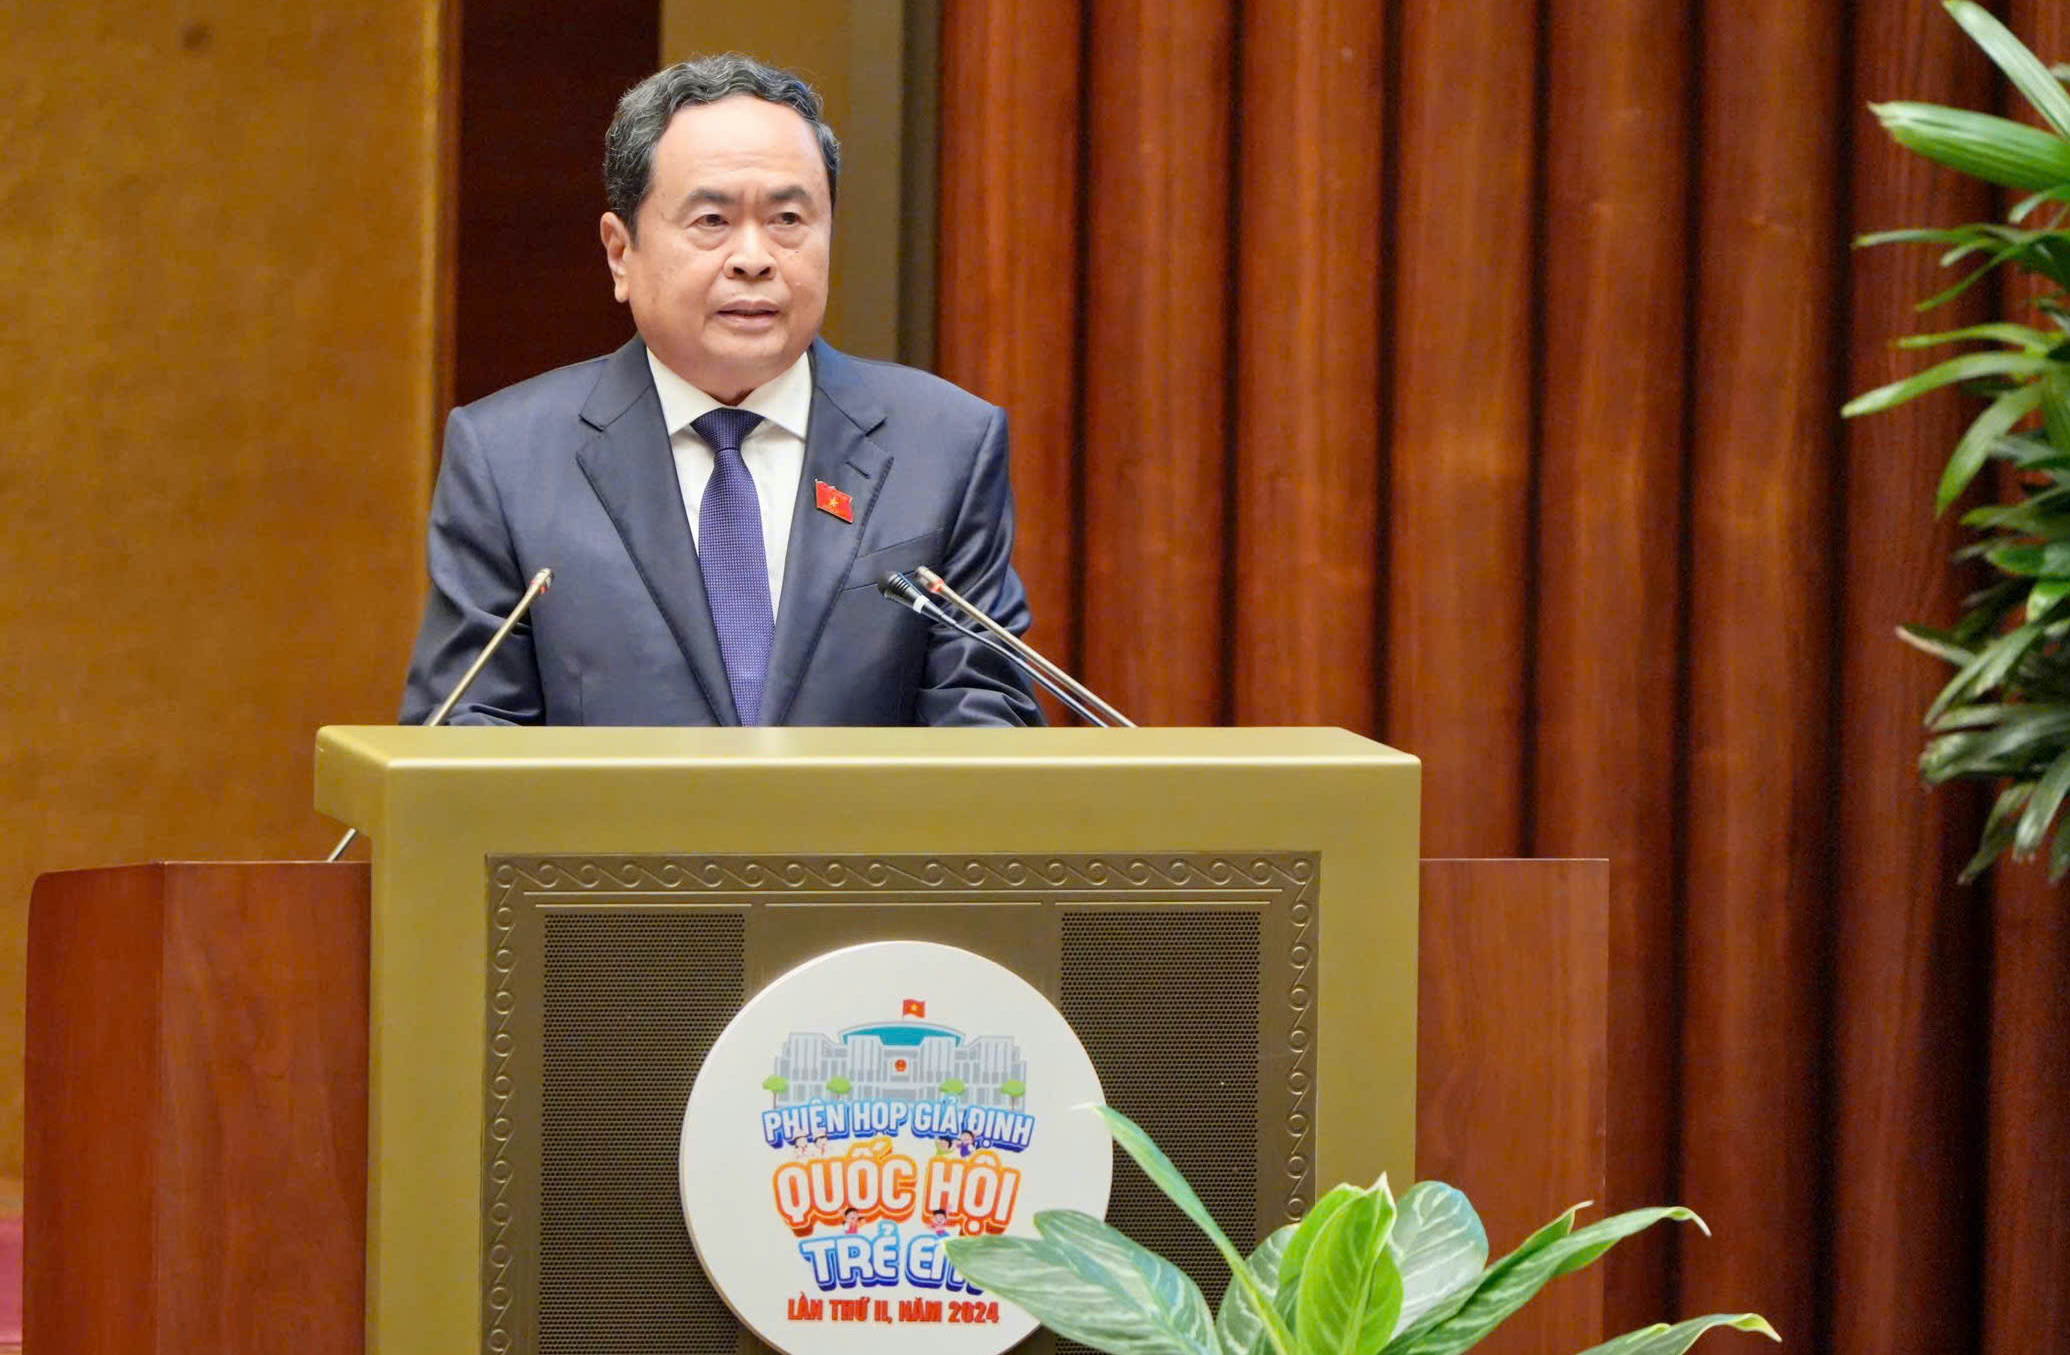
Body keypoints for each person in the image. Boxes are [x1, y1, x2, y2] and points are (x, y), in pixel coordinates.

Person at [400, 55, 1039, 727]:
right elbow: (465, 731)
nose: (754, 258)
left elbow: (986, 722)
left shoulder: (944, 447)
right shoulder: (508, 460)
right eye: (712, 220)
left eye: (788, 218)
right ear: (620, 253)